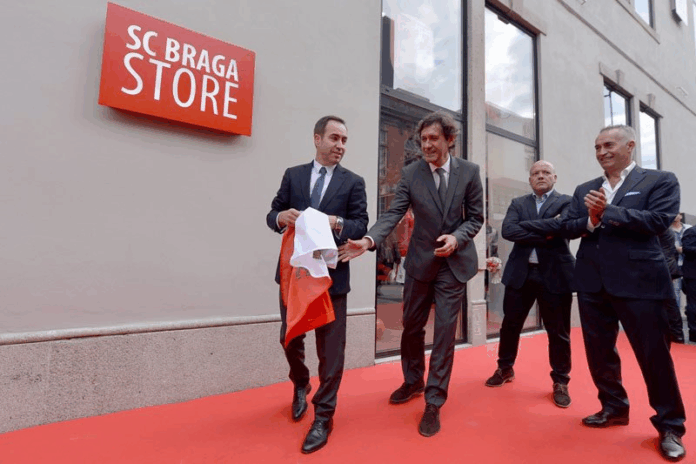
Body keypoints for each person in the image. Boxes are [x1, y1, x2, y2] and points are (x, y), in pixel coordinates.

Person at [338, 111, 483, 437]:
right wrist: (369, 240)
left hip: (454, 264)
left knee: (444, 333)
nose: (427, 145)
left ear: (450, 140)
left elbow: (476, 218)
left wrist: (457, 237)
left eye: (434, 138)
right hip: (420, 263)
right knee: (412, 327)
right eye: (423, 139)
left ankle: (434, 400)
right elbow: (394, 212)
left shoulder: (470, 172)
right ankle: (414, 380)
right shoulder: (411, 173)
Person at [562, 125, 686, 462]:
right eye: (597, 147)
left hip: (640, 282)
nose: (601, 152)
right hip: (592, 282)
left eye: (608, 145)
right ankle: (614, 407)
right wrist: (589, 220)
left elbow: (658, 220)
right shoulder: (585, 189)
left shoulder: (659, 180)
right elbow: (569, 226)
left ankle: (670, 425)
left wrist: (608, 212)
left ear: (630, 145)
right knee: (599, 353)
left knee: (653, 356)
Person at [266, 115, 368, 454]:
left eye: (344, 140)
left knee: (331, 351)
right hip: (295, 277)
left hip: (332, 278)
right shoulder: (293, 175)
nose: (340, 145)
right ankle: (300, 383)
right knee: (289, 338)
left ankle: (324, 416)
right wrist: (280, 218)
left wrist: (335, 222)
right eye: (334, 138)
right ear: (317, 139)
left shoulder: (354, 182)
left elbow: (360, 224)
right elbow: (272, 213)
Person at [484, 161, 575, 409]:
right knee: (510, 326)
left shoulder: (566, 202)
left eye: (546, 172)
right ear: (530, 179)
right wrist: (548, 232)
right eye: (536, 173)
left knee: (558, 332)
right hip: (520, 274)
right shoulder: (518, 203)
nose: (540, 176)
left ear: (555, 177)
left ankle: (561, 381)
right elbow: (508, 231)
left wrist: (526, 226)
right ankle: (505, 368)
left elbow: (565, 227)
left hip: (555, 275)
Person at [658, 225, 686, 344]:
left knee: (667, 302)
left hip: (661, 267)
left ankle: (675, 333)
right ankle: (676, 333)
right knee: (669, 301)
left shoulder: (659, 229)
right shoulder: (667, 229)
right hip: (668, 267)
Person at [679, 226, 696, 343]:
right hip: (693, 274)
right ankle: (694, 332)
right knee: (693, 304)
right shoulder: (691, 231)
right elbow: (686, 249)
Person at [670, 213, 690, 309]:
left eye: (676, 214)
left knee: (691, 289)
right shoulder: (667, 230)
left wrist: (685, 249)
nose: (674, 216)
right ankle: (677, 313)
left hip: (688, 263)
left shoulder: (688, 228)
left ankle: (691, 312)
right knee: (676, 290)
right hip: (675, 264)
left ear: (681, 216)